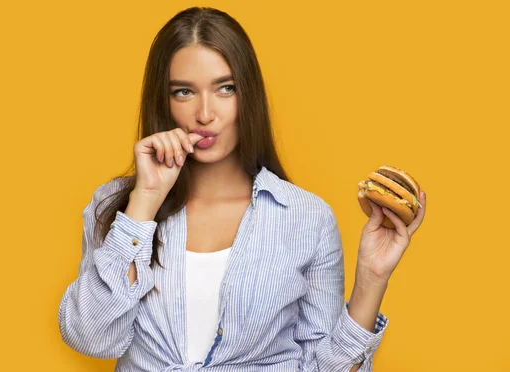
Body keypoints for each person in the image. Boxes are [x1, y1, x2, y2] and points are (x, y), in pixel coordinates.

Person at [58, 6, 427, 372]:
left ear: (247, 95)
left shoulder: (306, 218)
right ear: (163, 102)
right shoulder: (117, 206)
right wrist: (145, 202)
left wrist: (372, 279)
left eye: (225, 89)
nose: (205, 113)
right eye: (184, 92)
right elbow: (91, 338)